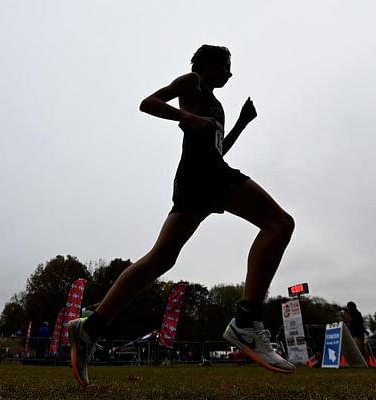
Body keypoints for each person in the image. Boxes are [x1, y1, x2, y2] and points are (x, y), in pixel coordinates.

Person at [67, 44, 296, 387]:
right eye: (226, 66)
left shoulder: (214, 102)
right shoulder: (192, 82)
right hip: (205, 175)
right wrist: (186, 117)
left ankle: (90, 327)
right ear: (208, 64)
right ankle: (246, 322)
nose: (230, 74)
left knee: (161, 258)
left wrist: (241, 124)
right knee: (279, 224)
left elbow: (219, 147)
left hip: (198, 176)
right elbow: (148, 103)